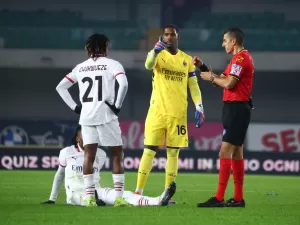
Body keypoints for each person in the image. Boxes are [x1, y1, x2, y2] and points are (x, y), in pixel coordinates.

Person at [56, 34, 128, 207]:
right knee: (117, 154)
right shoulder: (113, 64)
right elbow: (123, 84)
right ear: (106, 47)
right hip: (106, 115)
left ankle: (89, 198)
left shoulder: (80, 68)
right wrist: (117, 105)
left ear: (86, 49)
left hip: (86, 117)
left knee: (89, 155)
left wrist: (75, 107)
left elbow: (61, 87)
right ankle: (118, 197)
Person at [135, 24, 205, 203]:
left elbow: (193, 85)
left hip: (178, 113)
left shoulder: (187, 60)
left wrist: (199, 106)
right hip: (157, 112)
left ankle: (168, 194)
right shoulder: (157, 55)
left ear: (177, 37)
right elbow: (148, 64)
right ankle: (138, 191)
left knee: (173, 154)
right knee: (149, 151)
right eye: (165, 35)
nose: (168, 37)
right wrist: (154, 52)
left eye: (172, 35)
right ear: (162, 37)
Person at [41, 126, 176, 207]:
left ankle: (157, 200)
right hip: (75, 194)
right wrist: (52, 199)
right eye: (86, 135)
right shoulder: (66, 152)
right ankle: (94, 203)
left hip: (97, 191)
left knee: (123, 195)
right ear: (78, 139)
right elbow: (59, 175)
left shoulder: (100, 154)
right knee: (82, 199)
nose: (91, 138)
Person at [194, 28, 254, 208]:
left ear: (233, 41)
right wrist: (203, 67)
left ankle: (219, 198)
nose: (223, 44)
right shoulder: (236, 60)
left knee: (224, 152)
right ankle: (238, 198)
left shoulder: (242, 59)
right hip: (234, 109)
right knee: (236, 153)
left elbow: (229, 83)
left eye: (225, 40)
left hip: (237, 109)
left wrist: (211, 77)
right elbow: (221, 80)